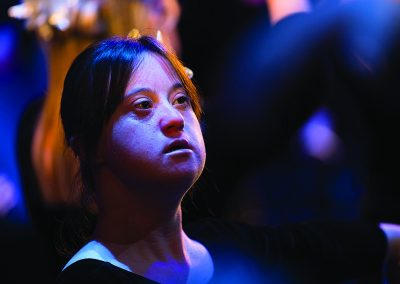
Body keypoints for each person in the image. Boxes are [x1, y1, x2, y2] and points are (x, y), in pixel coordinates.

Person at [54, 28, 400, 283]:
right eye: (143, 106)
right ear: (88, 148)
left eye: (181, 100)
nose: (175, 118)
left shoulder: (221, 241)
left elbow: (327, 246)